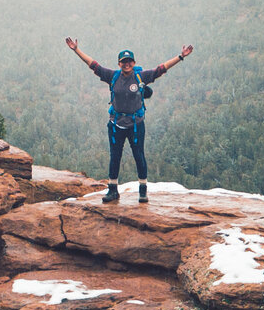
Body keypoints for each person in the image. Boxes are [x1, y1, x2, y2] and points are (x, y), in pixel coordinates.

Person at [66, 37, 193, 202]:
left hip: (135, 125)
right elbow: (93, 65)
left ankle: (143, 191)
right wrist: (76, 50)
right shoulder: (112, 76)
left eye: (129, 61)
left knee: (139, 156)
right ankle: (113, 191)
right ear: (119, 63)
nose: (126, 64)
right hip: (116, 125)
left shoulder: (141, 76)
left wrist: (180, 57)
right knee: (115, 157)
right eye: (123, 62)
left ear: (134, 63)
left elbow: (161, 68)